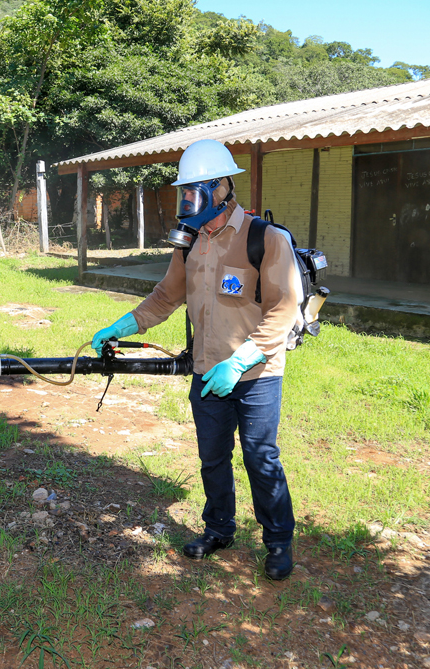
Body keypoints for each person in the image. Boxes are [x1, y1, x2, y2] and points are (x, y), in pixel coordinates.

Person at [91, 139, 301, 580]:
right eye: (183, 192)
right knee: (213, 458)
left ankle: (278, 542)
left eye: (194, 191)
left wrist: (239, 363)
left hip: (257, 374)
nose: (187, 201)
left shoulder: (265, 239)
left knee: (260, 457)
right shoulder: (188, 243)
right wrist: (123, 325)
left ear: (221, 188)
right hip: (207, 372)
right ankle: (219, 530)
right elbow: (166, 296)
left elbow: (284, 310)